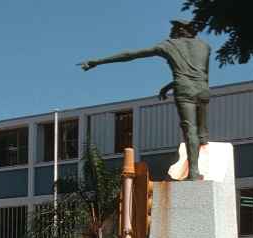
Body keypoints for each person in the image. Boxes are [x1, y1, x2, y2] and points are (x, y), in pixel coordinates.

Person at [81, 20, 210, 179]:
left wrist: (97, 62)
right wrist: (169, 87)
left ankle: (194, 172)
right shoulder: (204, 46)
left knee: (190, 130)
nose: (171, 31)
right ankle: (203, 135)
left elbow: (131, 55)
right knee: (200, 133)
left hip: (184, 90)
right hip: (203, 89)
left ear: (179, 30)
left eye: (173, 28)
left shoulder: (169, 45)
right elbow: (199, 73)